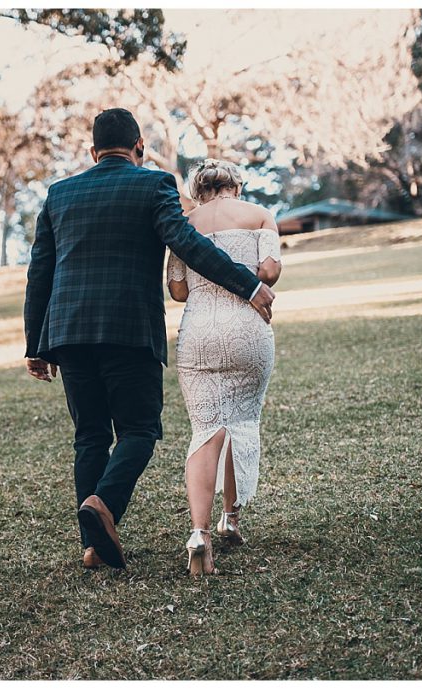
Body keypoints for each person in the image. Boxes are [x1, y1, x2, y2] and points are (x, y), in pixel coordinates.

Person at [23, 108, 275, 569]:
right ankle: (105, 508)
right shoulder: (152, 184)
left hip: (68, 332)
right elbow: (189, 245)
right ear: (139, 146)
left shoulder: (59, 194)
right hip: (128, 330)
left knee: (90, 436)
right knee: (139, 430)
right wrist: (249, 284)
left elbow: (40, 270)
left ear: (92, 151)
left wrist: (34, 345)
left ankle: (94, 546)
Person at [167, 158, 282, 577]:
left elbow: (177, 288)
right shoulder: (259, 215)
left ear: (199, 189)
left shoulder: (185, 224)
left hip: (198, 331)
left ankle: (199, 533)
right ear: (236, 185)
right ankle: (231, 518)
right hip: (248, 328)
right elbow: (269, 270)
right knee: (241, 421)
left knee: (206, 427)